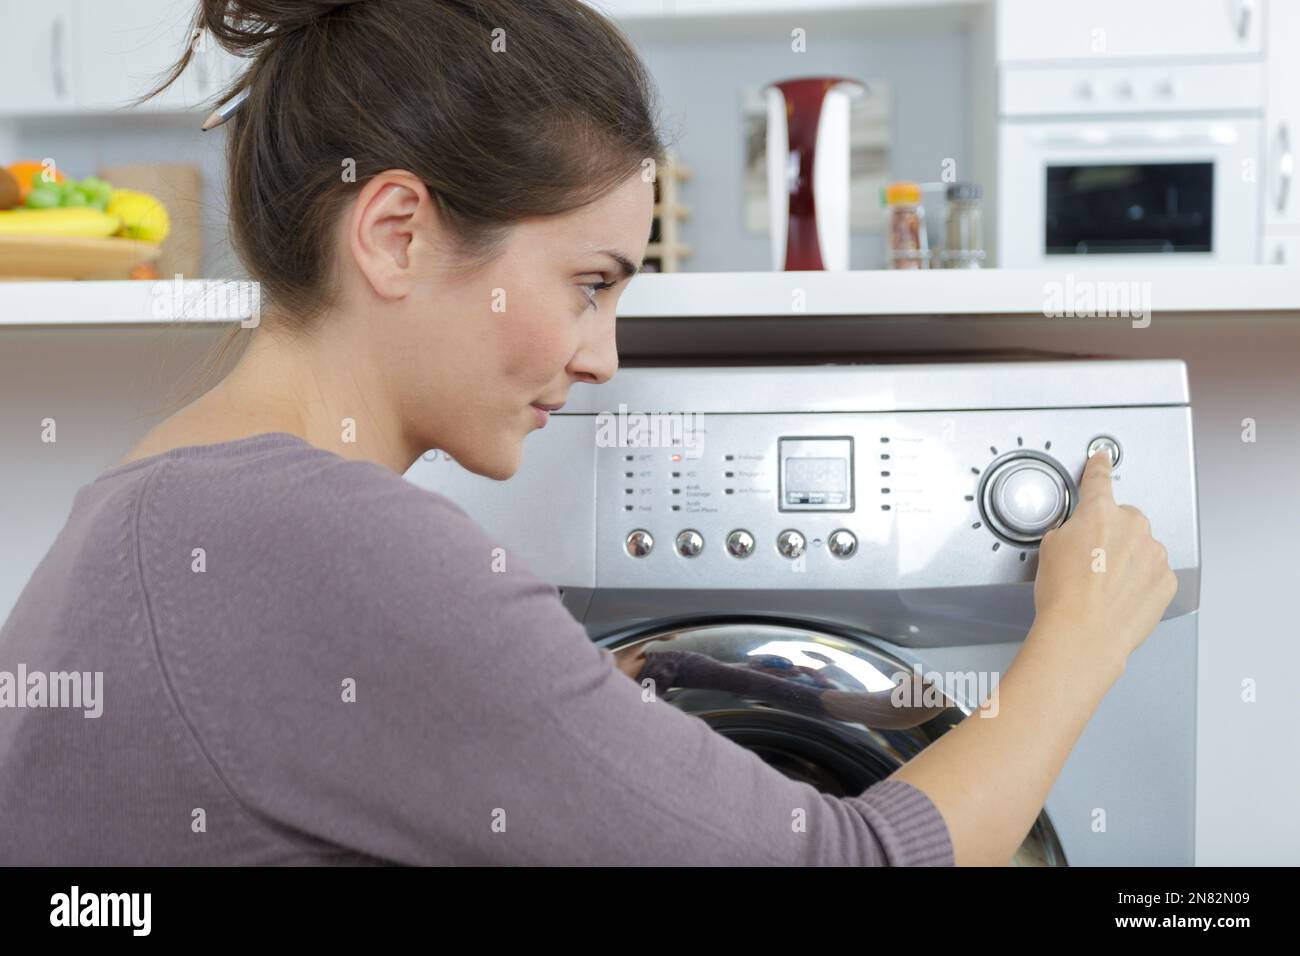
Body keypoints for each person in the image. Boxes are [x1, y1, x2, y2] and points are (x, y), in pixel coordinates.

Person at [0, 0, 1177, 866]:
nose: (602, 354)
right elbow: (855, 861)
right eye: (590, 281)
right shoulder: (327, 541)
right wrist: (1072, 644)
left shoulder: (144, 505)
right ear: (397, 233)